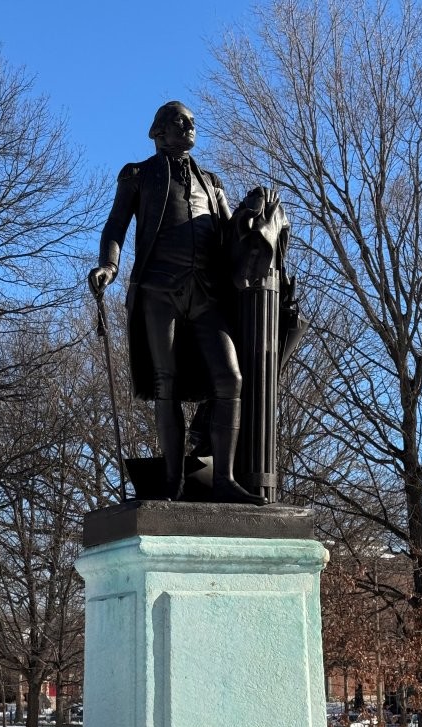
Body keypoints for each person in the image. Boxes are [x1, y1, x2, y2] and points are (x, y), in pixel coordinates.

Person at [88, 101, 266, 504]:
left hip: (205, 291)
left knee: (230, 379)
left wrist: (254, 222)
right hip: (159, 290)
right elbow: (115, 226)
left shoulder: (211, 181)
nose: (189, 127)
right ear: (158, 132)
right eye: (179, 121)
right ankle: (173, 481)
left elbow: (229, 234)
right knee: (165, 382)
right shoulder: (138, 175)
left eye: (192, 122)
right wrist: (108, 267)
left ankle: (224, 479)